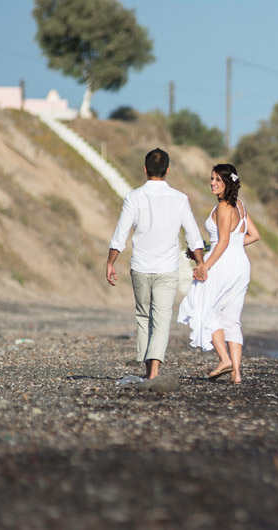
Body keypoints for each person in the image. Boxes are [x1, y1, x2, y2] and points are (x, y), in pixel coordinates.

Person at [106, 148, 205, 380]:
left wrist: (110, 262)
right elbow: (193, 235)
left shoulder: (134, 197)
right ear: (168, 170)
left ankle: (147, 368)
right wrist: (200, 262)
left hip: (140, 266)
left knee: (143, 316)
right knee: (161, 318)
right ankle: (155, 372)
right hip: (166, 268)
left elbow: (120, 234)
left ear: (144, 168)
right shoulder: (179, 199)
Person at [177, 163, 260, 384]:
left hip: (222, 262)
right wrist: (233, 246)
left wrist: (205, 265)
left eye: (217, 180)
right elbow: (254, 235)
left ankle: (224, 359)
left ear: (227, 183)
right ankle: (236, 373)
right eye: (212, 179)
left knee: (204, 306)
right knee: (232, 318)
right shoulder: (240, 206)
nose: (213, 183)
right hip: (240, 262)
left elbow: (222, 241)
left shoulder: (224, 207)